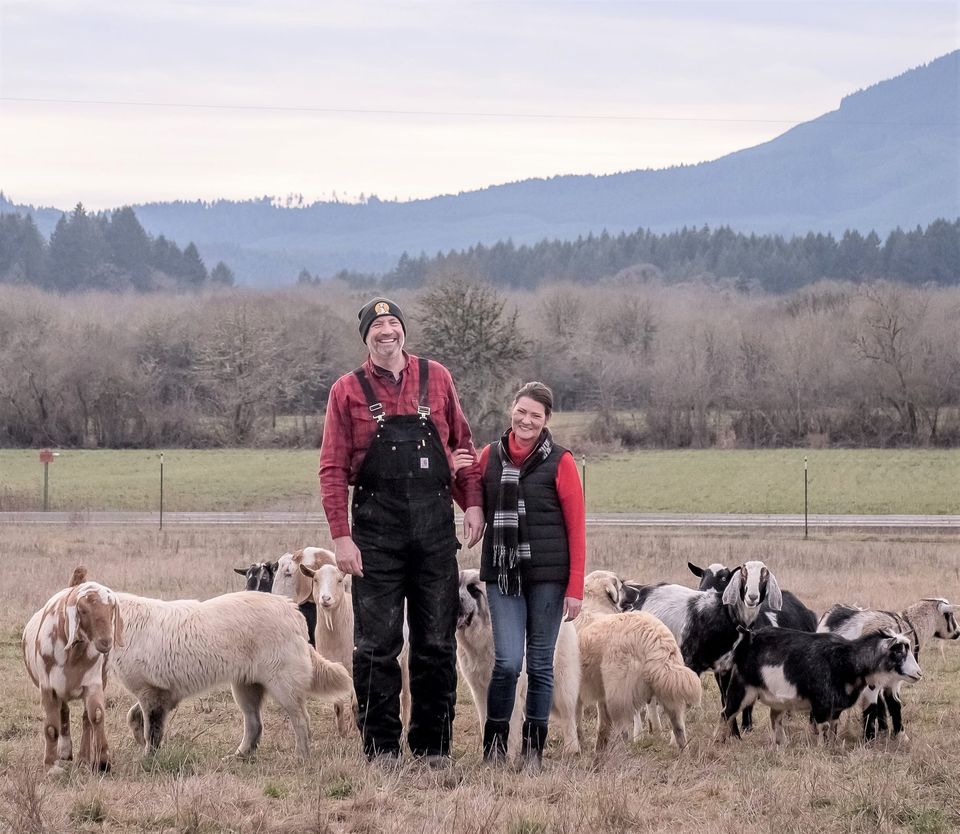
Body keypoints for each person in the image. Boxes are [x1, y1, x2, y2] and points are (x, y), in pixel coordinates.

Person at [319, 297, 484, 767]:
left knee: (436, 643)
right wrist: (342, 537)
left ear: (403, 331)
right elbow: (332, 469)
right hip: (375, 538)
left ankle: (433, 748)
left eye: (393, 323)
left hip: (435, 536)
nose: (386, 331)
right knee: (377, 646)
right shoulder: (346, 390)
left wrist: (472, 503)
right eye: (377, 326)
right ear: (366, 338)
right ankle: (381, 749)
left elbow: (463, 447)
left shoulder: (438, 377)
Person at [476, 381, 585, 771]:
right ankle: (494, 749)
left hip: (549, 579)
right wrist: (458, 479)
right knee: (507, 662)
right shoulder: (489, 456)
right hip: (503, 576)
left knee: (540, 664)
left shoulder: (561, 461)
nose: (526, 420)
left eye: (535, 415)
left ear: (546, 419)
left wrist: (575, 586)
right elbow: (471, 497)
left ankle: (533, 752)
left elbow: (576, 527)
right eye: (521, 411)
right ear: (512, 410)